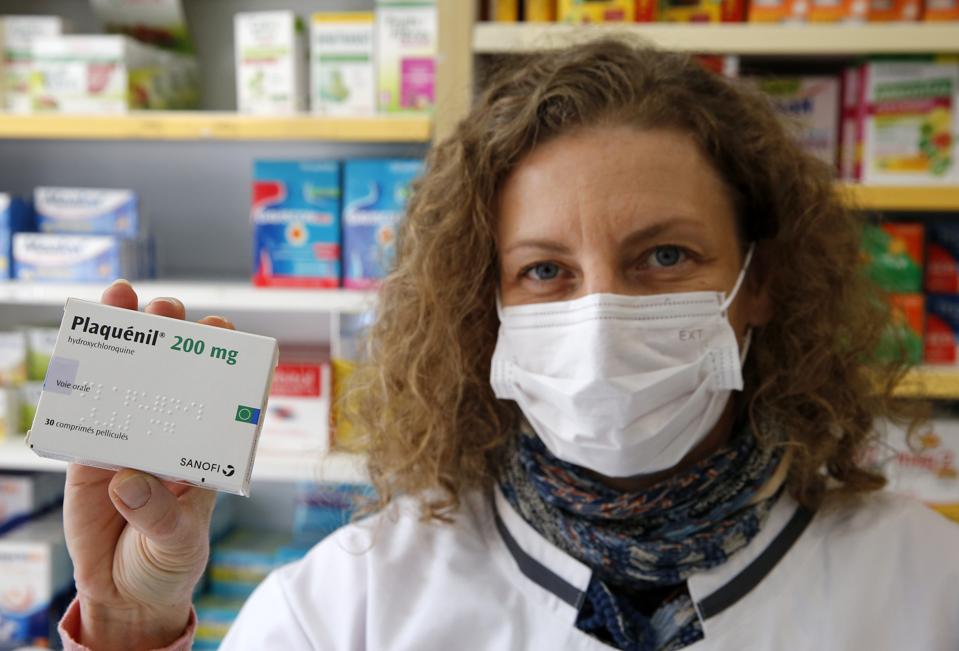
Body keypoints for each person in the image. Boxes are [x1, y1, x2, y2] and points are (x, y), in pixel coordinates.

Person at [59, 41, 959, 651]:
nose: (600, 313)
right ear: (482, 302)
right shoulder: (349, 605)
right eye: (543, 270)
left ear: (757, 280)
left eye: (664, 255)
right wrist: (125, 623)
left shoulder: (926, 583)